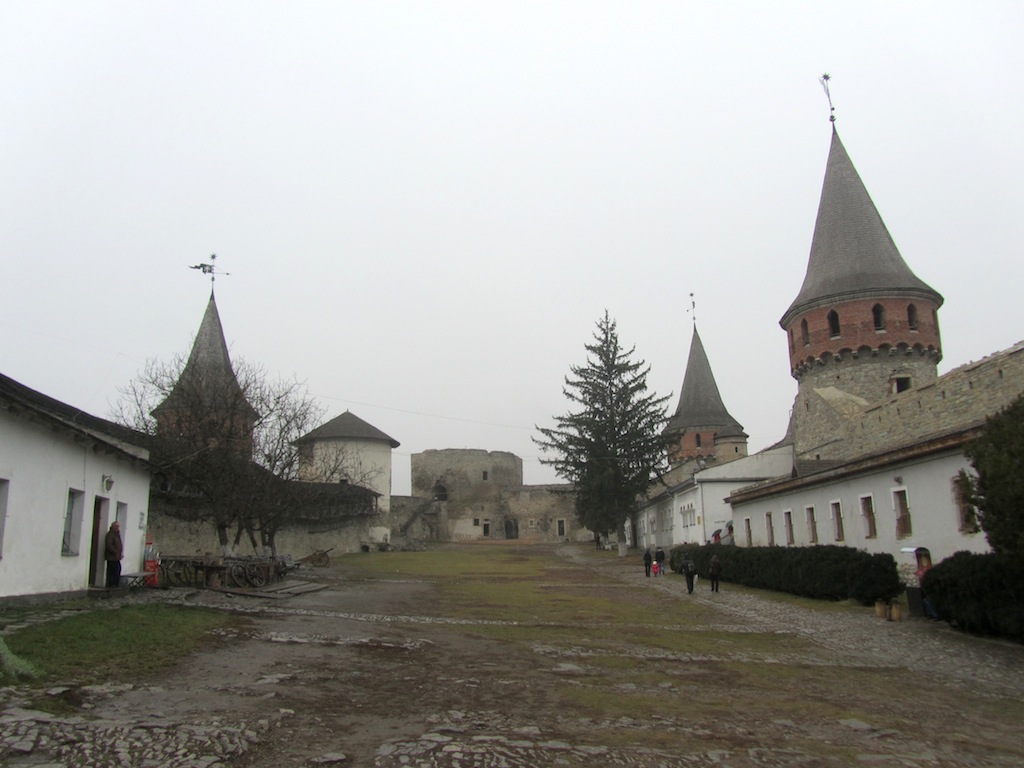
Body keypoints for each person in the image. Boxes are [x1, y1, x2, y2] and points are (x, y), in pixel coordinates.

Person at [105, 520, 123, 588]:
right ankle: (111, 584)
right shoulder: (110, 534)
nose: (117, 528)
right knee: (112, 571)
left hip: (116, 557)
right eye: (116, 526)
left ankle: (116, 584)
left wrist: (119, 554)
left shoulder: (117, 534)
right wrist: (115, 552)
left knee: (117, 570)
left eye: (118, 526)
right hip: (111, 557)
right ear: (113, 527)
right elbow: (109, 545)